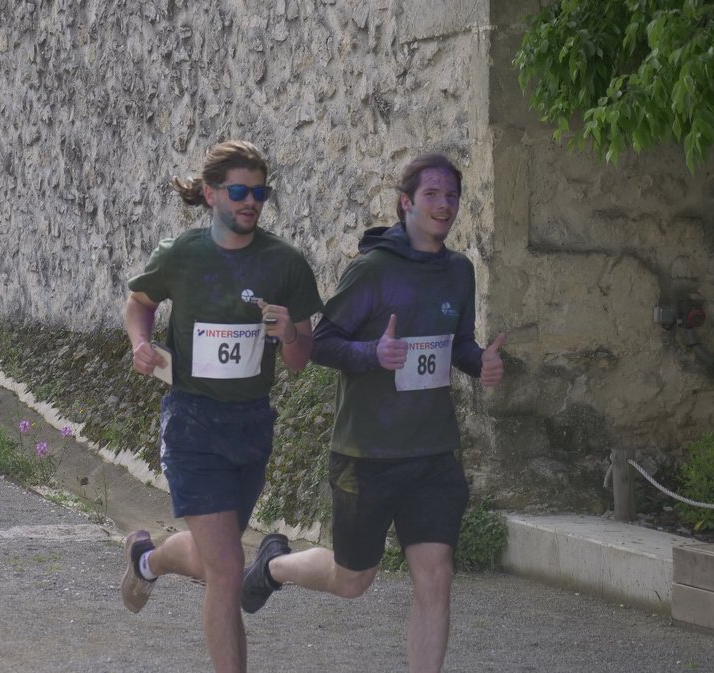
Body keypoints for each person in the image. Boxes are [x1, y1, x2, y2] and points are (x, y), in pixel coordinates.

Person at [238, 153, 505, 673]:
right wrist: (372, 356)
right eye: (432, 194)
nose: (444, 205)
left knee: (437, 576)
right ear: (406, 202)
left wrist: (483, 365)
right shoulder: (372, 270)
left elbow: (459, 345)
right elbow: (321, 343)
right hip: (367, 454)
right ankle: (275, 565)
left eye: (451, 196)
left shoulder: (458, 271)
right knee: (353, 578)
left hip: (432, 454)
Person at [120, 139, 323, 673]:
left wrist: (288, 334)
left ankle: (148, 559)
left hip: (252, 426)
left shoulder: (286, 264)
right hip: (193, 423)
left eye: (259, 192)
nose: (250, 201)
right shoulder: (181, 254)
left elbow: (301, 359)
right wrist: (140, 343)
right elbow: (139, 304)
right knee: (230, 570)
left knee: (221, 561)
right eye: (238, 191)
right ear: (211, 194)